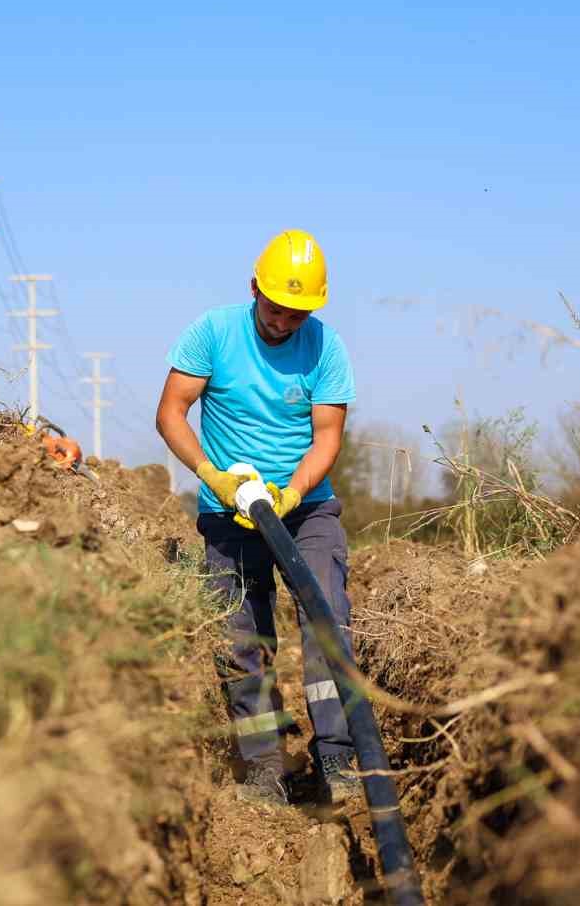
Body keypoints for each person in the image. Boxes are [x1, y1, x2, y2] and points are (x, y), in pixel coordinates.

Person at [154, 229, 361, 806]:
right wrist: (212, 475)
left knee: (327, 616)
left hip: (306, 507)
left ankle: (338, 756)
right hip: (229, 511)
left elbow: (327, 437)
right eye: (276, 309)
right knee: (242, 637)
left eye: (298, 313)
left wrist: (294, 492)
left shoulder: (326, 347)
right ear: (254, 290)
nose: (285, 323)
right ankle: (265, 764)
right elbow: (171, 413)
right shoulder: (213, 333)